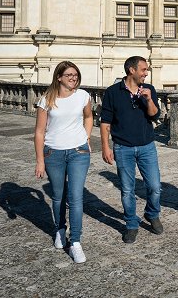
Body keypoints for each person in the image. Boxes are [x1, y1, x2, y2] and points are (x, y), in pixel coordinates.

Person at [34, 61, 93, 264]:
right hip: (53, 153)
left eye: (75, 75)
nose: (73, 78)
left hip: (79, 152)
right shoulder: (46, 100)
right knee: (58, 197)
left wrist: (85, 139)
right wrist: (40, 161)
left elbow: (88, 117)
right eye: (68, 75)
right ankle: (60, 229)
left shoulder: (83, 96)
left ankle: (75, 242)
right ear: (58, 77)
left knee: (75, 197)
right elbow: (39, 132)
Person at [100, 56, 163, 244]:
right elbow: (105, 122)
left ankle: (152, 214)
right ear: (131, 70)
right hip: (122, 147)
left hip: (147, 146)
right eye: (143, 69)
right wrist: (105, 147)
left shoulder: (149, 89)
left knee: (155, 186)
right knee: (127, 190)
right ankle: (131, 224)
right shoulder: (113, 92)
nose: (146, 73)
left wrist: (149, 99)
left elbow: (154, 115)